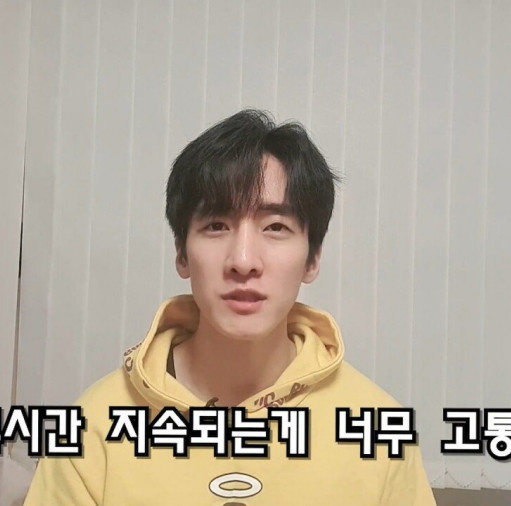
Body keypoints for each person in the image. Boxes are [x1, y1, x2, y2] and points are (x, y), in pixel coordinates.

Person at [24, 110, 436, 505]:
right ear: (182, 254)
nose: (243, 260)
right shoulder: (93, 427)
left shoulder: (377, 430)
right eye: (216, 226)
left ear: (312, 259)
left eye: (275, 227)